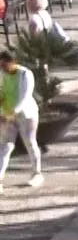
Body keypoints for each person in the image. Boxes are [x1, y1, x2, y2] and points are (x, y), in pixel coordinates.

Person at [0, 50, 42, 189]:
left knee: (30, 142)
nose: (3, 67)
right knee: (5, 147)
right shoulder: (1, 74)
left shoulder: (25, 74)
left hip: (26, 115)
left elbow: (25, 97)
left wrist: (14, 112)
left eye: (6, 64)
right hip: (6, 116)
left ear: (14, 62)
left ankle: (37, 174)